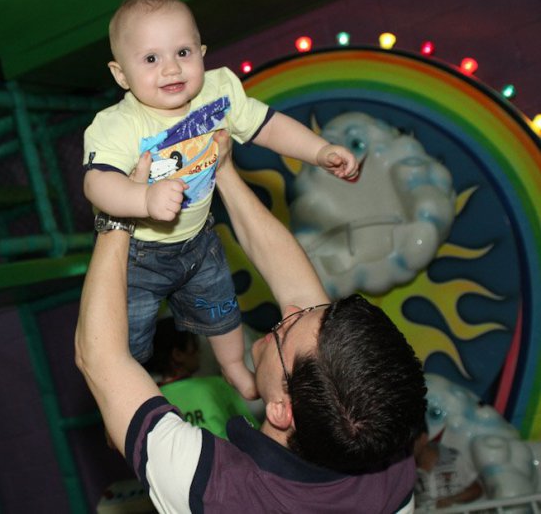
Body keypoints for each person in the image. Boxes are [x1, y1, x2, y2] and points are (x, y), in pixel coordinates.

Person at [75, 133, 426, 512]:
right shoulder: (383, 451)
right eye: (305, 314)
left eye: (285, 333)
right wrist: (223, 171)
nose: (289, 313)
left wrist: (117, 215)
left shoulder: (215, 489)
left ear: (281, 409)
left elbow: (101, 356)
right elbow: (304, 306)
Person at [82, 0, 359, 400]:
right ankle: (121, 403)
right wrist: (142, 200)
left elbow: (268, 125)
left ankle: (234, 369)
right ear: (121, 75)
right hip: (139, 256)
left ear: (202, 51)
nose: (171, 68)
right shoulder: (119, 125)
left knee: (222, 310)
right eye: (151, 59)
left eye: (182, 51)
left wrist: (318, 151)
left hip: (198, 241)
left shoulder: (218, 93)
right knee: (127, 338)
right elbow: (97, 183)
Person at [144, 315, 258, 440]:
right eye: (195, 344)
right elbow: (252, 431)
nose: (200, 351)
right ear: (178, 354)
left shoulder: (149, 399)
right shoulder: (215, 385)